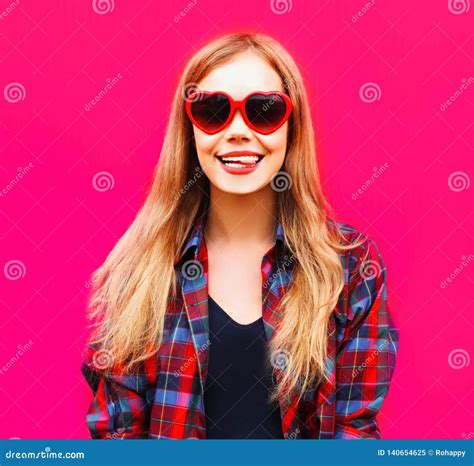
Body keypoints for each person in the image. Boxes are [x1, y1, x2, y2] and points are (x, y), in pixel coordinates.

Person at [81, 32, 399, 440]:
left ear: (292, 127)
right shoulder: (142, 267)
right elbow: (118, 435)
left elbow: (354, 430)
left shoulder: (351, 265)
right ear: (190, 131)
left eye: (262, 110)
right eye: (213, 111)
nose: (237, 131)